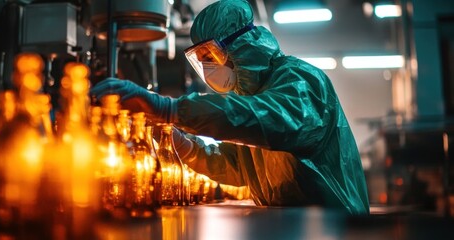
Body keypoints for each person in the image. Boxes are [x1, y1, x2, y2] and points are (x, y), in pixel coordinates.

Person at [90, 0, 369, 214]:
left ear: (243, 43)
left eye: (210, 55)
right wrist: (186, 148)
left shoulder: (300, 80)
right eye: (201, 60)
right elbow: (238, 167)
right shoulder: (250, 96)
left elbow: (265, 119)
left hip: (336, 227)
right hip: (294, 225)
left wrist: (170, 109)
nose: (209, 68)